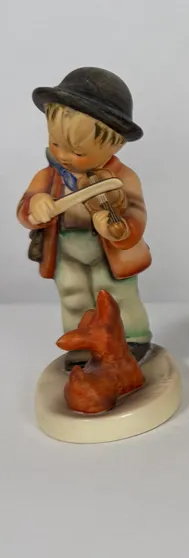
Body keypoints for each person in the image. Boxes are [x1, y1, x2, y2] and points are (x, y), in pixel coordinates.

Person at [17, 67, 152, 365]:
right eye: (56, 144)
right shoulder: (48, 177)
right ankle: (81, 342)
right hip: (65, 248)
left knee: (115, 294)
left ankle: (133, 338)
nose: (64, 156)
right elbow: (24, 207)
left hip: (108, 252)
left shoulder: (123, 178)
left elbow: (136, 214)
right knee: (73, 294)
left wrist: (117, 228)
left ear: (116, 143)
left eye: (78, 152)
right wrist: (36, 204)